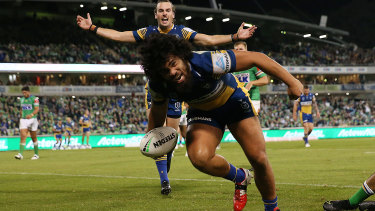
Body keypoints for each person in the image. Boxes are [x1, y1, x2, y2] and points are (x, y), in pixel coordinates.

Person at [77, 0, 257, 195]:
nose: (164, 13)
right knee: (158, 134)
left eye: (168, 10)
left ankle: (166, 161)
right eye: (161, 10)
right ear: (156, 14)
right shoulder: (148, 32)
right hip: (158, 90)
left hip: (178, 91)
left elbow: (207, 40)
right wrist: (93, 28)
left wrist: (234, 36)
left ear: (173, 14)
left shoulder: (182, 32)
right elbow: (121, 35)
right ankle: (165, 181)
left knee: (169, 137)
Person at [139, 33, 303, 211]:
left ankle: (272, 208)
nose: (171, 72)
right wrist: (153, 138)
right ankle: (240, 177)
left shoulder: (206, 62)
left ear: (182, 55)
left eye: (173, 64)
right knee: (199, 158)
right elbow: (157, 113)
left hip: (233, 102)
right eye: (164, 70)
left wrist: (292, 82)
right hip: (202, 112)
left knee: (258, 158)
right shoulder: (158, 84)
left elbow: (257, 58)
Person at [232, 41, 270, 113]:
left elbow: (265, 80)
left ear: (246, 50)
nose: (239, 51)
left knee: (251, 122)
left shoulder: (253, 64)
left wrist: (252, 83)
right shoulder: (232, 66)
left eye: (241, 49)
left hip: (253, 98)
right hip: (237, 98)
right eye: (236, 50)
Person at [15, 86, 40, 160]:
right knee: (23, 135)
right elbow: (21, 109)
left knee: (33, 137)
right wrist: (21, 116)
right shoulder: (21, 99)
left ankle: (36, 154)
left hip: (33, 119)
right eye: (23, 93)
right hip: (24, 119)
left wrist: (31, 115)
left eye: (25, 92)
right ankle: (20, 154)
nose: (24, 94)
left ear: (29, 92)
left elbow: (36, 109)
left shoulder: (34, 99)